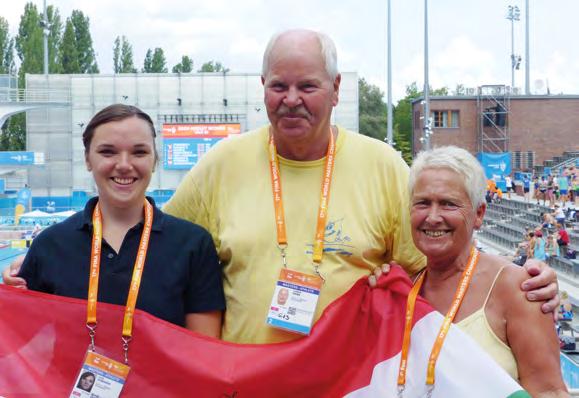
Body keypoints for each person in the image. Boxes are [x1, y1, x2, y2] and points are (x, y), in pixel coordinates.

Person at [161, 29, 559, 344]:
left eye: (308, 87)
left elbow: (439, 269)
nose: (291, 100)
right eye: (279, 86)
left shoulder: (382, 166)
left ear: (335, 89)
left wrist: (519, 282)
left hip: (352, 383)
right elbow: (159, 252)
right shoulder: (221, 164)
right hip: (248, 383)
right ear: (263, 86)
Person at [2, 104, 225, 337]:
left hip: (162, 376)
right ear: (88, 159)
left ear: (154, 160)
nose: (124, 165)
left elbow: (203, 352)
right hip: (73, 376)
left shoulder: (193, 245)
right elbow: (22, 348)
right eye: (108, 152)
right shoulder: (50, 245)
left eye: (139, 152)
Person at [408, 146, 567, 396]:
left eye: (448, 204)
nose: (433, 217)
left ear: (479, 214)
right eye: (423, 203)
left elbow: (549, 392)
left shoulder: (518, 288)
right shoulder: (401, 288)